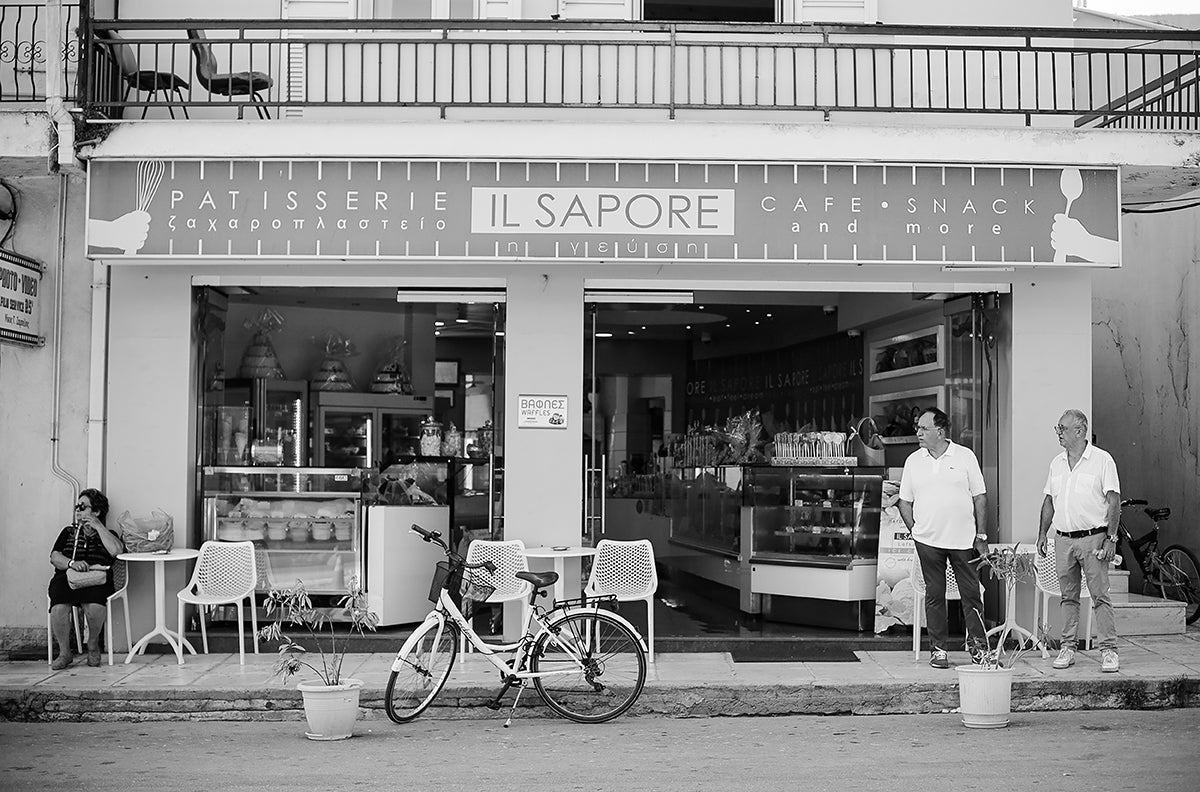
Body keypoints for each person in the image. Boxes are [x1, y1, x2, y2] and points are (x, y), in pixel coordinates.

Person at [898, 408, 989, 669]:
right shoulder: (914, 461)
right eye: (918, 428)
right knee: (934, 596)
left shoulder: (964, 456)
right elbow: (904, 501)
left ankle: (979, 649)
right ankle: (938, 650)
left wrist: (981, 535)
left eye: (923, 429)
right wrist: (916, 531)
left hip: (963, 541)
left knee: (971, 596)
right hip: (928, 542)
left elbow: (980, 496)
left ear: (940, 431)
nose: (918, 433)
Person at [1036, 409, 1121, 673]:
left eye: (1062, 428)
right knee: (1068, 597)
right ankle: (1068, 648)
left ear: (1080, 431)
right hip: (1063, 540)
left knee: (1099, 596)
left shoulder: (1102, 460)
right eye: (1058, 428)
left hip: (1093, 538)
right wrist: (1042, 533)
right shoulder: (1057, 463)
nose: (1059, 433)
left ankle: (1108, 650)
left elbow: (1114, 501)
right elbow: (1049, 500)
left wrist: (1111, 538)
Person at [47, 489, 124, 669]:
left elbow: (117, 551)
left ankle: (92, 645)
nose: (78, 511)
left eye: (83, 507)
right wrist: (72, 563)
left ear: (96, 511)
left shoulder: (108, 533)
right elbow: (54, 556)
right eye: (77, 507)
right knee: (58, 605)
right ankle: (65, 653)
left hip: (97, 580)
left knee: (95, 605)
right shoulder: (68, 532)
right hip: (68, 577)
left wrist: (98, 526)